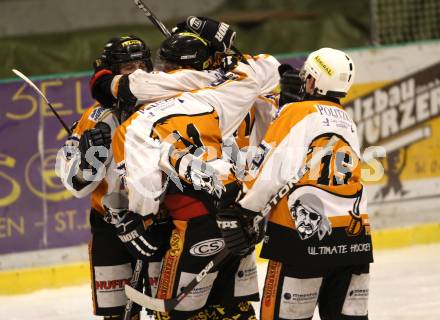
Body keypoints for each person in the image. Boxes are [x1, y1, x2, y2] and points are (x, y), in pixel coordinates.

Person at [110, 17, 281, 320]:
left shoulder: (141, 118)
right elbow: (266, 68)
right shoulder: (223, 97)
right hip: (237, 211)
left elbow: (144, 188)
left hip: (191, 221)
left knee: (176, 313)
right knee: (232, 309)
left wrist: (139, 220)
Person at [217, 48, 373, 319]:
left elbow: (269, 170)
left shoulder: (296, 112)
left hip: (301, 240)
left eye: (306, 76)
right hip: (354, 241)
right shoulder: (348, 121)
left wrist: (244, 210)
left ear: (312, 82)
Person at [56, 35, 171, 320]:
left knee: (169, 312)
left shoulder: (169, 108)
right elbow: (77, 186)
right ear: (111, 72)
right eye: (127, 66)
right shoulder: (94, 118)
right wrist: (89, 159)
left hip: (159, 225)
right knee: (116, 315)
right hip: (110, 229)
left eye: (141, 64)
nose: (136, 73)